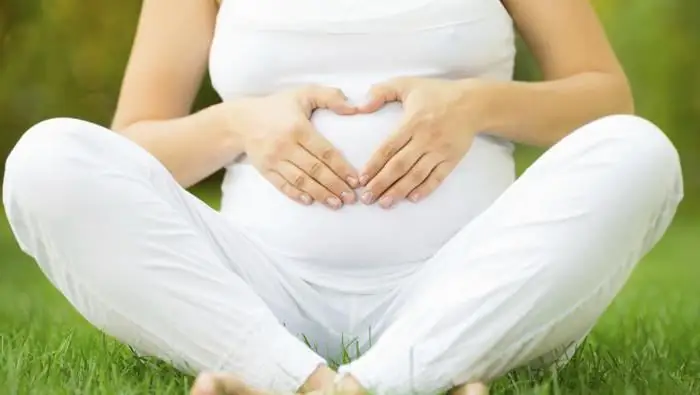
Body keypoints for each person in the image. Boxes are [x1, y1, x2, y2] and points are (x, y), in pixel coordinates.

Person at [2, 0, 684, 394]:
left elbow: (604, 98)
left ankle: (312, 382)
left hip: (460, 286)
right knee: (47, 161)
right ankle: (365, 377)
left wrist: (475, 106)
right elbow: (132, 150)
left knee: (638, 153)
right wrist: (237, 122)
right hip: (264, 292)